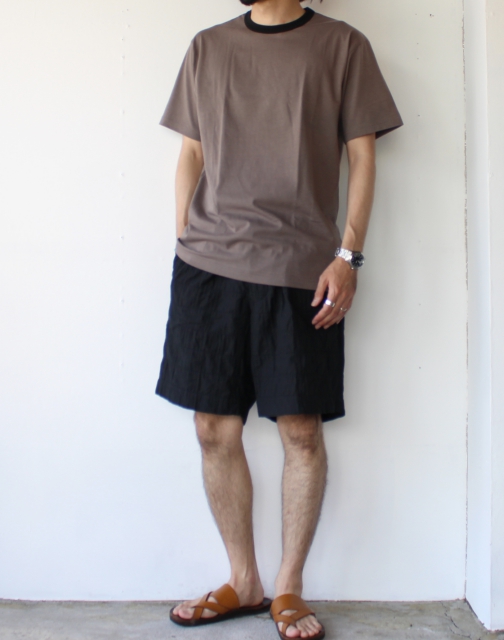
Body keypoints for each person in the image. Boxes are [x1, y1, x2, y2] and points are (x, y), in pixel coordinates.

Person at [155, 0, 402, 638]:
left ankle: (288, 588)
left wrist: (348, 256)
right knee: (213, 428)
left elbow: (363, 156)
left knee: (301, 432)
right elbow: (190, 152)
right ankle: (244, 581)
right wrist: (186, 237)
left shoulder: (343, 46)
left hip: (301, 271)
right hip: (208, 268)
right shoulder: (208, 47)